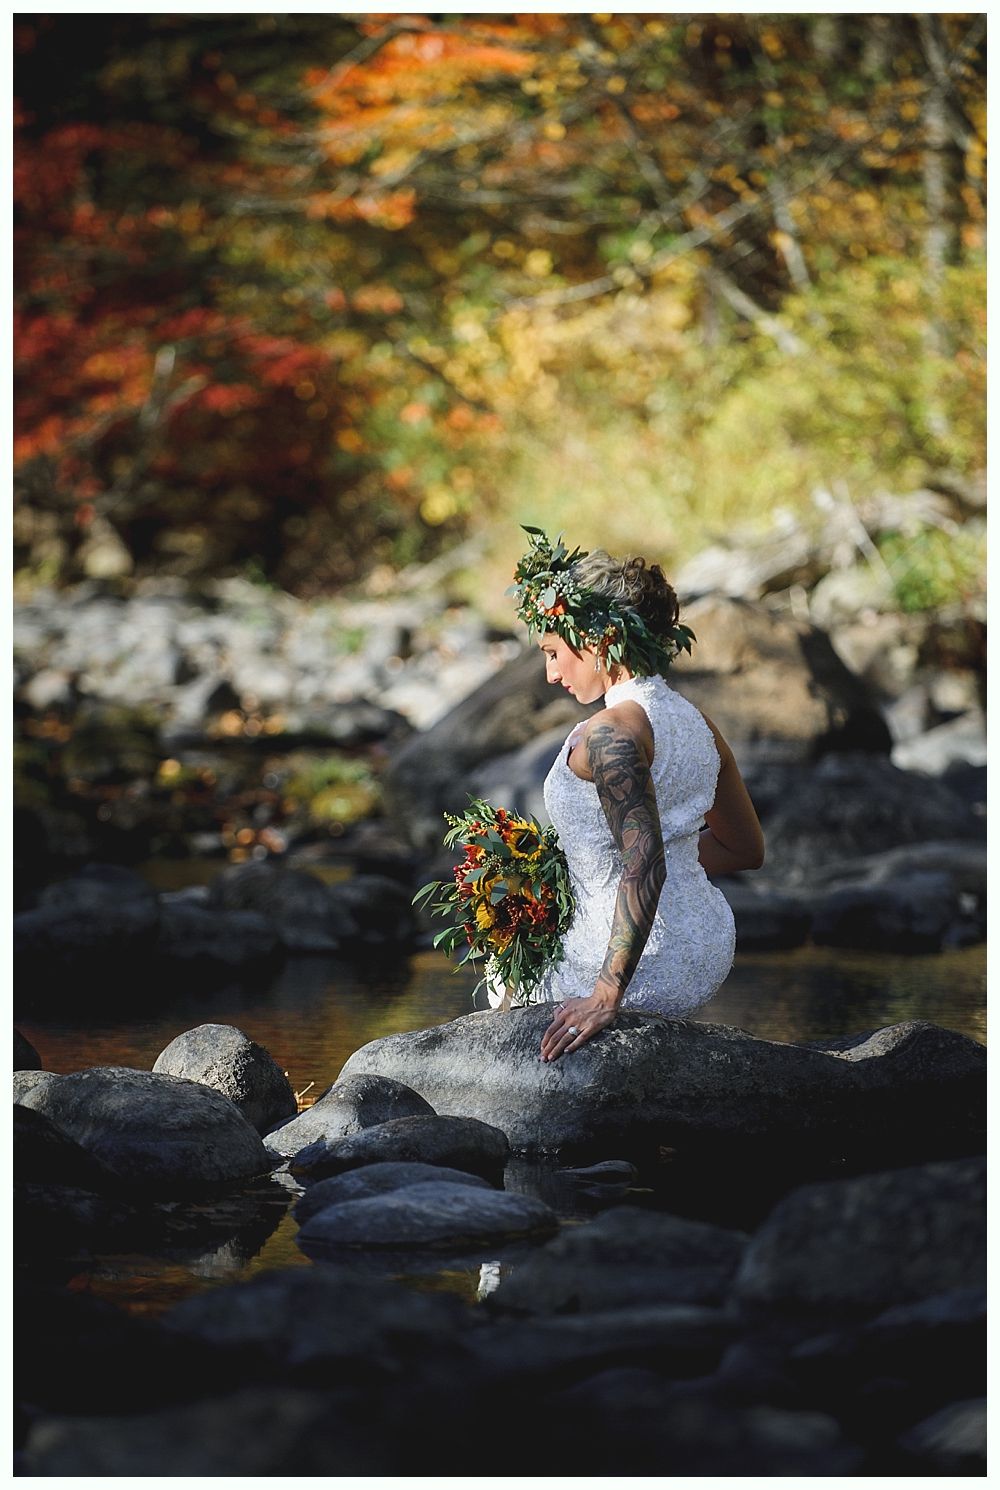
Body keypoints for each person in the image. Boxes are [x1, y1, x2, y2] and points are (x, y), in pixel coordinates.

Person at [500, 527, 765, 1062]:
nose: (551, 674)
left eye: (554, 652)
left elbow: (643, 862)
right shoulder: (697, 725)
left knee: (501, 995)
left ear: (597, 642)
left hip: (639, 958)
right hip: (706, 948)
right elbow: (745, 850)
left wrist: (604, 995)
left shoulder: (610, 734)